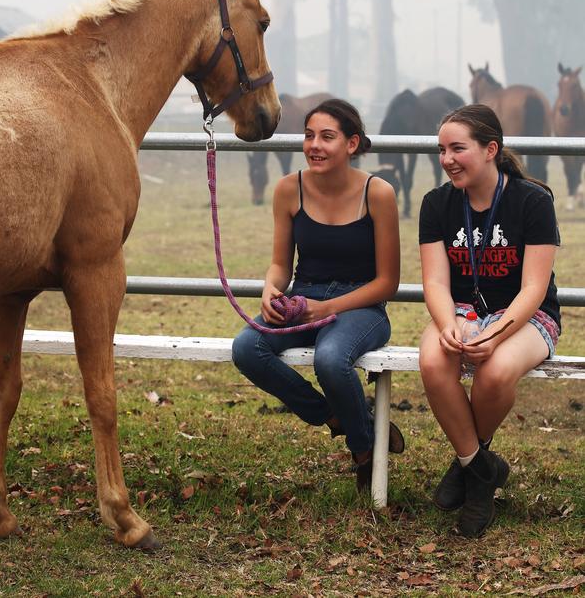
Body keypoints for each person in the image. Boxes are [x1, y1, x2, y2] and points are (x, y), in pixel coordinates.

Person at [232, 98, 402, 492]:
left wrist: (328, 307)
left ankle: (363, 449)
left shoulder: (378, 194)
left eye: (328, 137)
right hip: (303, 298)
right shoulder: (289, 189)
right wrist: (270, 289)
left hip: (361, 304)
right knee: (246, 348)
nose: (315, 145)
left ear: (352, 144)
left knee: (330, 358)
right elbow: (280, 264)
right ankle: (338, 418)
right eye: (309, 136)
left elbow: (387, 282)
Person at [418, 104, 560, 537]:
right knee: (432, 361)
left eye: (458, 148)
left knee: (495, 372)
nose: (447, 159)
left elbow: (534, 289)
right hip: (461, 312)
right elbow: (436, 283)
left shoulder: (532, 200)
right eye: (442, 149)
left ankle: (468, 471)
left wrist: (494, 333)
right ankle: (481, 468)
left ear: (490, 150)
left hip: (527, 315)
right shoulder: (437, 204)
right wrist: (448, 325)